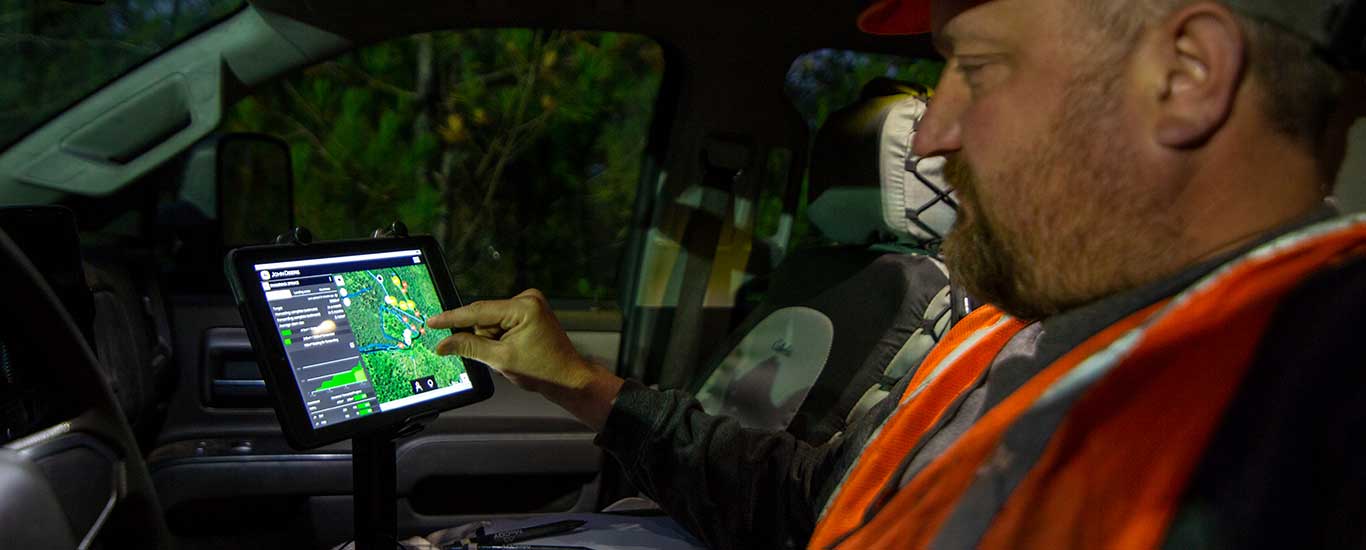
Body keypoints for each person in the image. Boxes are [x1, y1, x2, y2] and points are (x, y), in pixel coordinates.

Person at [427, 0, 1366, 548]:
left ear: (1188, 74)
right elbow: (816, 502)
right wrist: (588, 387)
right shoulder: (1014, 332)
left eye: (979, 69)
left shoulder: (1314, 414)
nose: (935, 132)